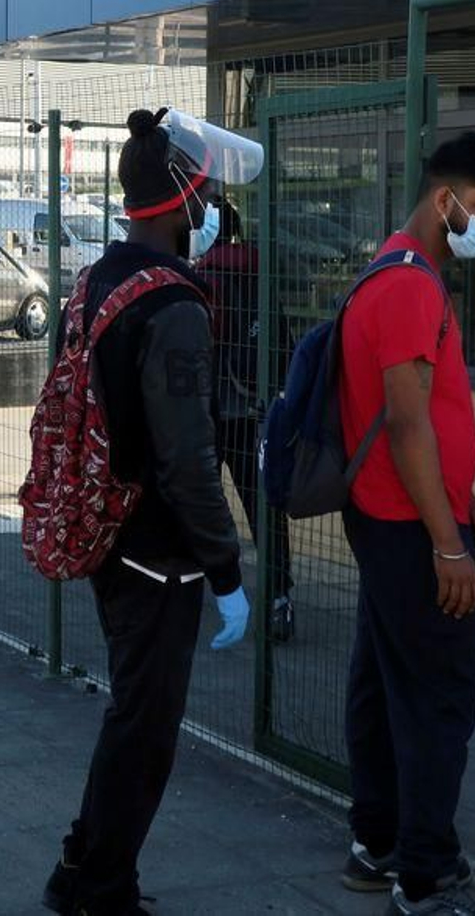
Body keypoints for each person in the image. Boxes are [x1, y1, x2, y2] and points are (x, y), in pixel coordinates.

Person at [43, 107, 253, 916]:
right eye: (204, 195)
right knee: (146, 730)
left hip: (107, 531)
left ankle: (81, 867)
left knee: (131, 715)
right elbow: (189, 458)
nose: (210, 208)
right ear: (181, 201)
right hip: (160, 554)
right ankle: (103, 889)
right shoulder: (175, 306)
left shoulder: (99, 279)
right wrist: (226, 569)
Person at [336, 131, 475, 916]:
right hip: (411, 530)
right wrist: (449, 542)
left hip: (392, 519)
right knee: (439, 698)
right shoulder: (410, 286)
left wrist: (461, 499)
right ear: (445, 200)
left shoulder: (390, 267)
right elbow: (407, 425)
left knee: (382, 685)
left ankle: (377, 843)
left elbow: (414, 419)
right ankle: (425, 874)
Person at [196, 200, 297, 641]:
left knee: (197, 504)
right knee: (264, 511)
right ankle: (279, 597)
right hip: (253, 415)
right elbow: (283, 344)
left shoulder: (200, 278)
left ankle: (209, 590)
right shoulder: (260, 276)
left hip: (206, 415)